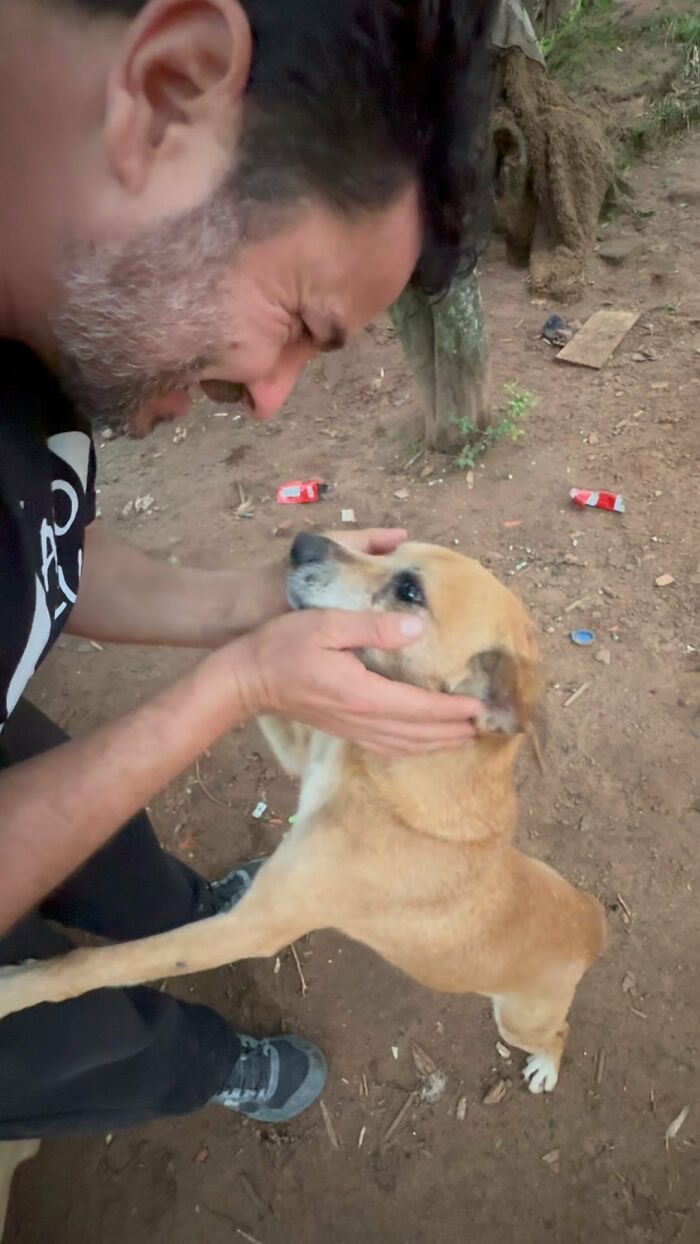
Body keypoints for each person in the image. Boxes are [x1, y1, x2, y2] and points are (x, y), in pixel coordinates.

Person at [0, 0, 496, 1138]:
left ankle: (179, 910)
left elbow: (43, 548)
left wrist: (252, 600)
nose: (272, 398)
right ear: (171, 87)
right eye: (297, 320)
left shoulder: (40, 338)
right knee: (53, 1034)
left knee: (109, 848)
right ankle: (202, 1059)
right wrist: (241, 685)